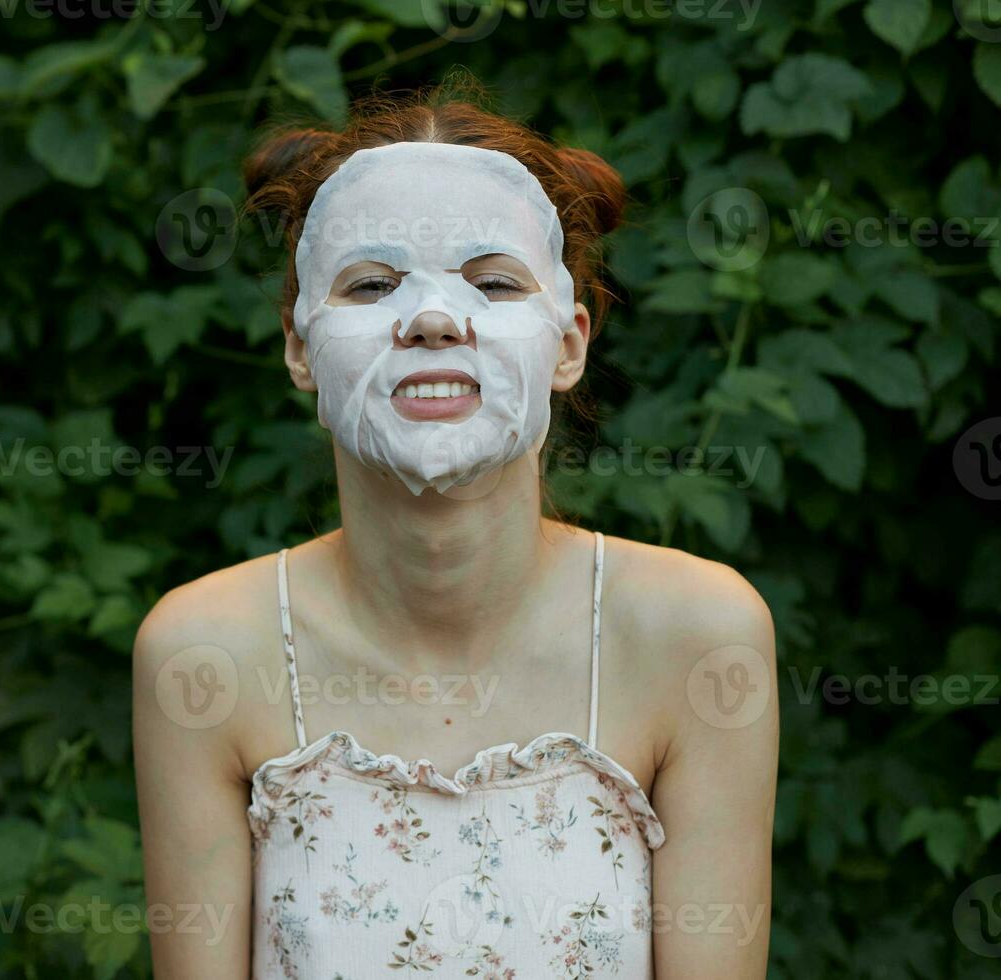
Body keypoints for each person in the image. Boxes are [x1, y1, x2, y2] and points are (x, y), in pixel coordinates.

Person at [133, 85, 777, 979]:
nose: (434, 318)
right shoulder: (202, 653)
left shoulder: (696, 637)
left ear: (568, 344)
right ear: (298, 343)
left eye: (493, 282)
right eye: (371, 284)